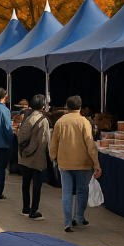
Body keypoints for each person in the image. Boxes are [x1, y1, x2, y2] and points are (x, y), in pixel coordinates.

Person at [49, 95, 102, 232]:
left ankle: (67, 222)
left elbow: (53, 143)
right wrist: (96, 164)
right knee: (82, 190)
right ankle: (79, 218)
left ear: (67, 106)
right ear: (80, 107)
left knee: (66, 191)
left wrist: (52, 157)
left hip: (64, 162)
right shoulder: (84, 122)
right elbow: (91, 145)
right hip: (83, 163)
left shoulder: (60, 122)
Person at [16, 94, 50, 221]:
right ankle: (33, 210)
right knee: (37, 184)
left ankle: (25, 207)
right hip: (36, 156)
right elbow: (43, 140)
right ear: (42, 106)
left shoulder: (26, 116)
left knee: (25, 182)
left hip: (24, 155)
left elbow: (20, 134)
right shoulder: (43, 120)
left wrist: (25, 151)